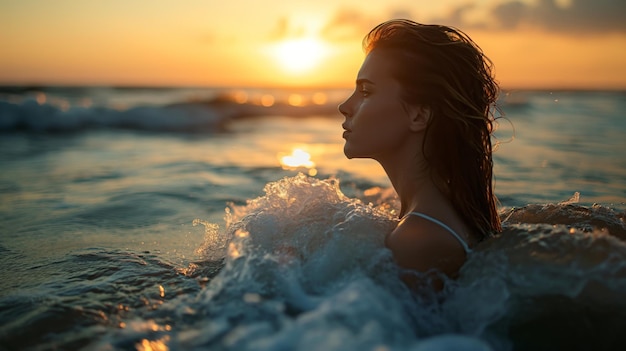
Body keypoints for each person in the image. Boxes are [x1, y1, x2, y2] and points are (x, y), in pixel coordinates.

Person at [338, 19, 502, 285]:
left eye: (366, 92)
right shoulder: (438, 214)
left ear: (419, 115)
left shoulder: (419, 240)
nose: (344, 106)